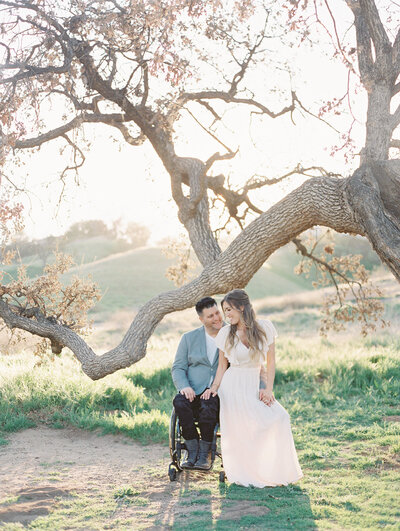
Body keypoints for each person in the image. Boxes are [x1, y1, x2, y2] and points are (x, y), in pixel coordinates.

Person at [202, 289, 303, 487]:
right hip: (232, 386)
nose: (226, 315)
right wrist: (214, 388)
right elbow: (222, 366)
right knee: (249, 422)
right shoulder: (225, 333)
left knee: (280, 416)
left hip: (253, 382)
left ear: (242, 307)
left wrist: (268, 389)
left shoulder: (265, 327)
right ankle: (244, 470)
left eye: (229, 309)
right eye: (225, 310)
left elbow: (271, 363)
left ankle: (272, 470)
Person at [171, 296, 270, 470]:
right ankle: (191, 449)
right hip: (193, 390)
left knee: (209, 405)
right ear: (201, 319)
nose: (217, 318)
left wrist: (263, 387)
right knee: (179, 402)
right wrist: (184, 386)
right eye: (210, 316)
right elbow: (178, 367)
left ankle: (205, 454)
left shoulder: (234, 333)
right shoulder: (188, 338)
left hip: (221, 392)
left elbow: (257, 365)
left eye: (218, 313)